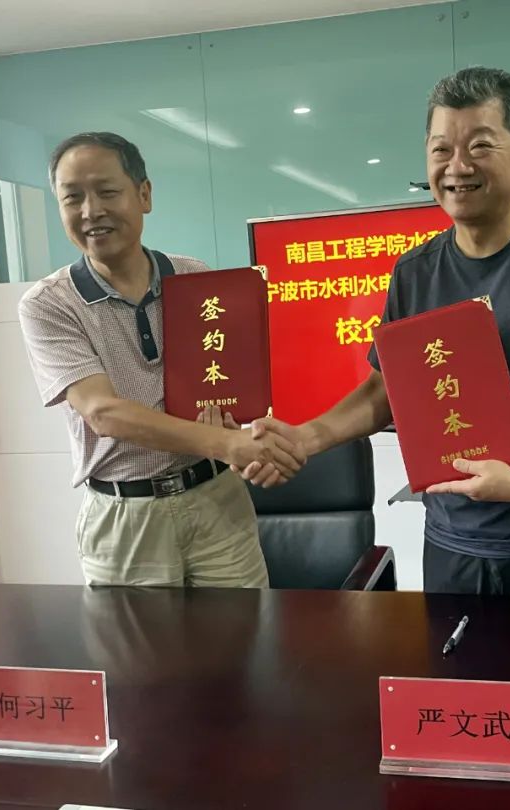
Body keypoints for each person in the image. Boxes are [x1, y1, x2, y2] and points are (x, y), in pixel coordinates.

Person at [244, 68, 510, 598]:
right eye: (441, 150)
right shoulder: (415, 273)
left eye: (480, 145)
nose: (458, 167)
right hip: (453, 545)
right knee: (454, 658)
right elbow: (386, 391)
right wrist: (305, 438)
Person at [18, 132, 304, 588]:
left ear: (144, 195)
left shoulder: (195, 278)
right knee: (138, 640)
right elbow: (103, 413)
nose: (91, 211)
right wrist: (227, 444)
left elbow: (225, 388)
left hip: (216, 501)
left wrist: (236, 428)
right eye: (73, 198)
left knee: (244, 631)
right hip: (126, 518)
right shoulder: (49, 304)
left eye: (107, 191)